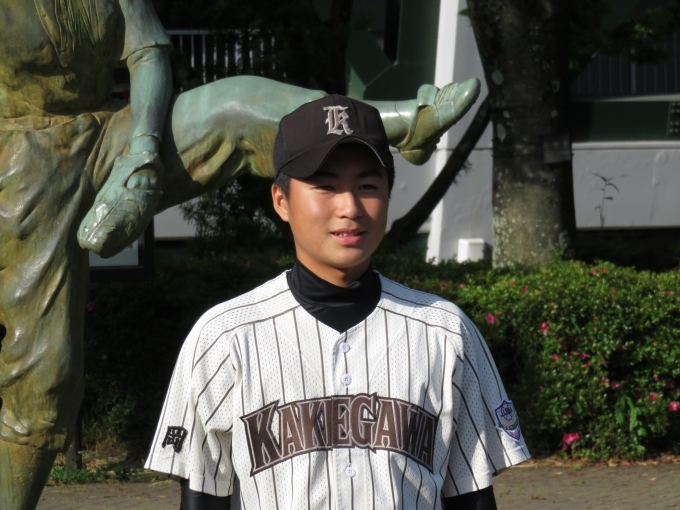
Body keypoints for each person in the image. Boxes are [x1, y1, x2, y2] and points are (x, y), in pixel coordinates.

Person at [0, 0, 480, 505]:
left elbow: (147, 55)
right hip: (21, 158)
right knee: (44, 381)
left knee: (233, 106)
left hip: (112, 134)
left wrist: (142, 150)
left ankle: (402, 125)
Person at [146, 96, 530, 509]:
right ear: (281, 200)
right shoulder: (225, 337)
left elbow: (473, 496)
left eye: (367, 186)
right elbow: (202, 496)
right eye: (325, 186)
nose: (350, 207)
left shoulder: (445, 332)